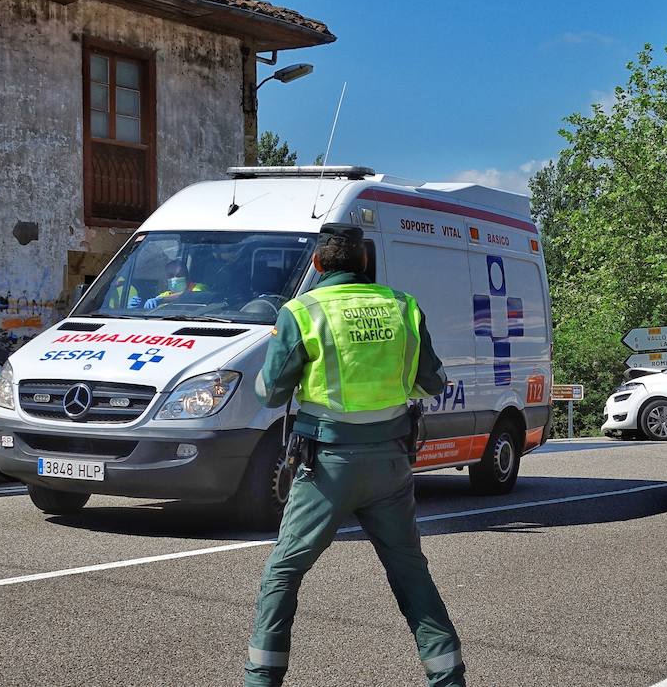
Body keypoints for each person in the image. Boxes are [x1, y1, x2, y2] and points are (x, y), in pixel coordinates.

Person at [245, 227, 464, 687]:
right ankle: (448, 678)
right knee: (409, 571)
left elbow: (271, 393)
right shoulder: (403, 306)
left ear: (317, 264)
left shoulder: (301, 312)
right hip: (391, 464)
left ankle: (261, 679)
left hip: (326, 466)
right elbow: (433, 382)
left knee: (284, 570)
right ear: (365, 262)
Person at [143, 259, 207, 310]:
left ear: (187, 276)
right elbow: (157, 301)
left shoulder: (198, 287)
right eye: (170, 276)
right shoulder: (166, 294)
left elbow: (190, 295)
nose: (174, 278)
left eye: (179, 275)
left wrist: (162, 300)